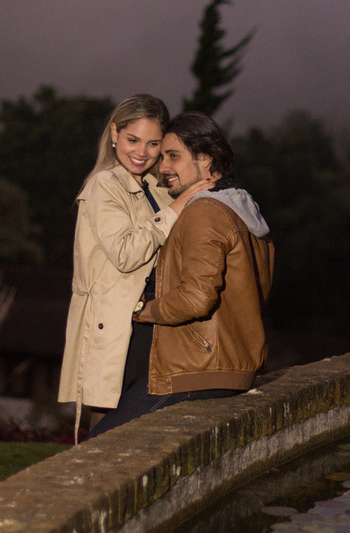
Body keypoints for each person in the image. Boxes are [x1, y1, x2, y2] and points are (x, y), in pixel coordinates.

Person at [85, 111, 274, 439]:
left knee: (97, 449)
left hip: (197, 369)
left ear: (205, 159)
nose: (163, 167)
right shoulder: (243, 210)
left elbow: (196, 298)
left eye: (173, 156)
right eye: (162, 157)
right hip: (234, 366)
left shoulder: (204, 211)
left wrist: (140, 309)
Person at [58, 94, 211, 442]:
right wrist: (178, 206)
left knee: (139, 431)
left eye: (153, 143)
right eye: (133, 139)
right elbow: (126, 253)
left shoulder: (156, 188)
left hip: (150, 321)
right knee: (107, 432)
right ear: (115, 134)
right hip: (115, 324)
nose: (142, 152)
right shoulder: (104, 185)